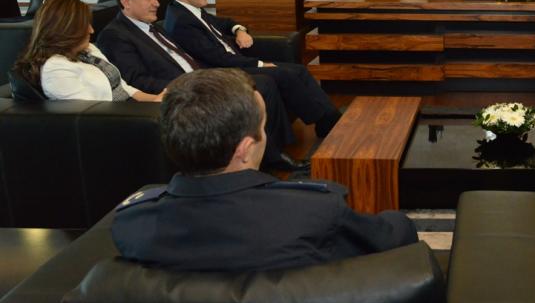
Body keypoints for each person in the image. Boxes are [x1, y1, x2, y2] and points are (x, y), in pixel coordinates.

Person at [112, 69, 418, 271]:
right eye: (263, 126)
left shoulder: (131, 224)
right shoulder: (315, 213)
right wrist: (399, 220)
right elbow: (393, 236)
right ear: (245, 148)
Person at [97, 0, 306, 172]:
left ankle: (272, 152)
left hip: (203, 76)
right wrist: (188, 84)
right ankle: (273, 158)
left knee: (265, 81)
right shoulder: (115, 35)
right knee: (263, 85)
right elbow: (137, 79)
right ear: (126, 1)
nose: (157, 3)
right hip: (186, 89)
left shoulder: (152, 26)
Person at [163, 0, 340, 138]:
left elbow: (226, 22)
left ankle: (329, 118)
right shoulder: (181, 21)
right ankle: (324, 119)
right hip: (222, 71)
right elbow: (215, 58)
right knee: (285, 74)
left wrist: (239, 30)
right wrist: (259, 64)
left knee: (299, 70)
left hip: (233, 60)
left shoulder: (192, 11)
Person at [13, 0, 163, 102]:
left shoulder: (87, 49)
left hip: (133, 111)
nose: (91, 30)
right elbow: (92, 116)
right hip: (121, 123)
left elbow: (124, 88)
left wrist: (157, 100)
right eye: (86, 25)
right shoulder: (55, 69)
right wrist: (151, 108)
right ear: (67, 29)